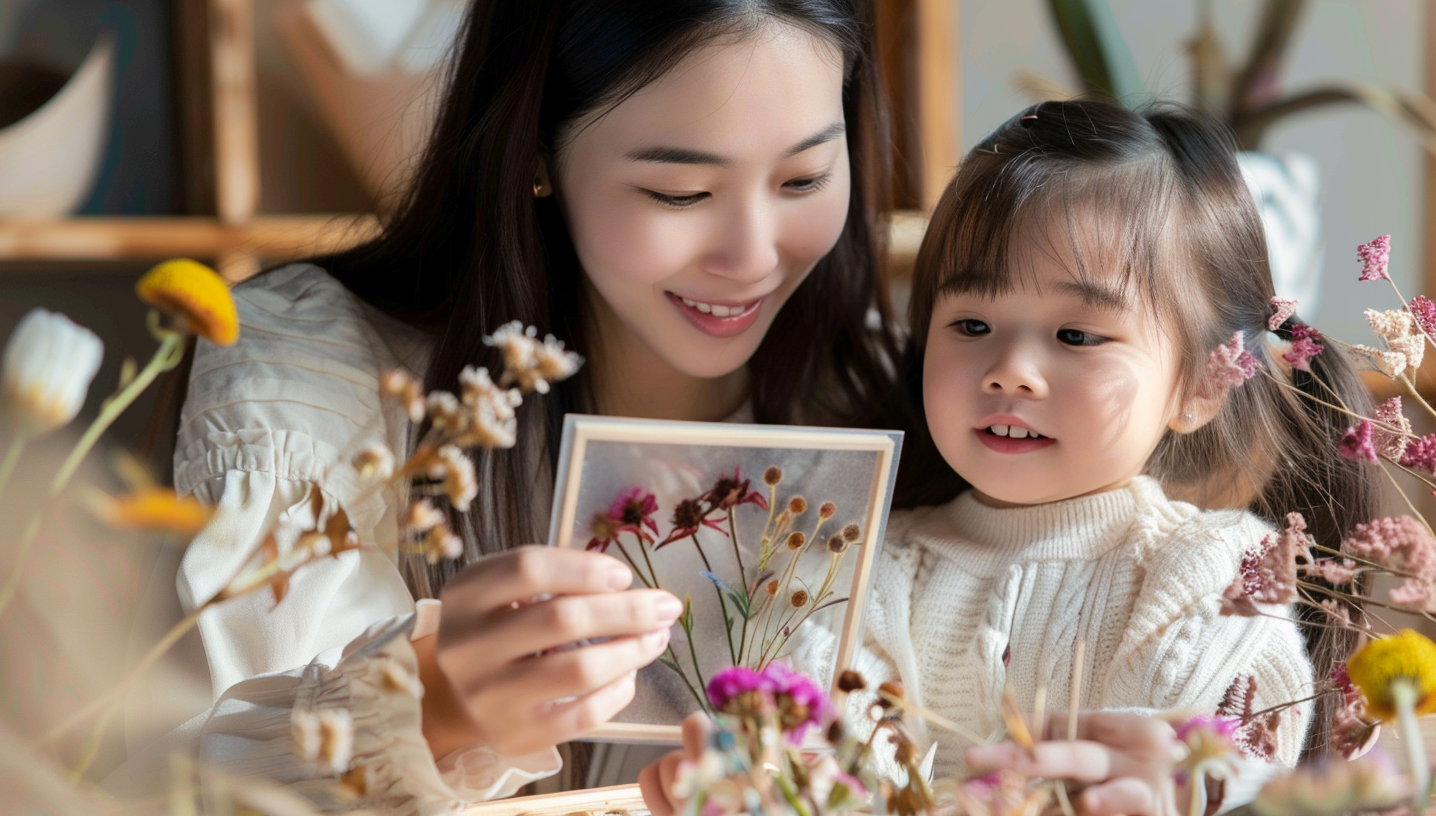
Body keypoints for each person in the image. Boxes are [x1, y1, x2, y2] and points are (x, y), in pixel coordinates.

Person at [110, 0, 905, 810]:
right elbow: (178, 793)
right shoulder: (315, 377)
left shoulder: (888, 389)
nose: (754, 256)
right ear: (535, 151)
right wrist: (431, 708)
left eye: (804, 178)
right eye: (680, 191)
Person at [639, 100, 1379, 816]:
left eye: (1078, 336)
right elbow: (815, 769)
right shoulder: (858, 568)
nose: (1010, 369)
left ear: (1200, 385)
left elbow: (1225, 773)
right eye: (971, 322)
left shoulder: (1213, 573)